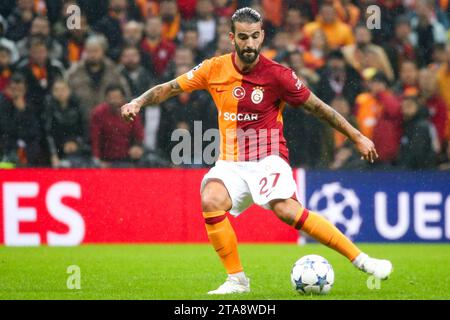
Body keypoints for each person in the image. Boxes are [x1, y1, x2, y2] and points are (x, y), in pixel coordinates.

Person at [120, 7, 392, 294]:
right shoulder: (213, 68)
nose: (249, 44)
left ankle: (362, 260)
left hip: (268, 157)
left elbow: (318, 108)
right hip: (231, 162)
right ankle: (237, 280)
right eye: (243, 37)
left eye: (254, 37)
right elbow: (171, 88)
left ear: (262, 36)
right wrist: (137, 102)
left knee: (287, 211)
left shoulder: (279, 75)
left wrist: (358, 136)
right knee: (211, 200)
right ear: (232, 38)